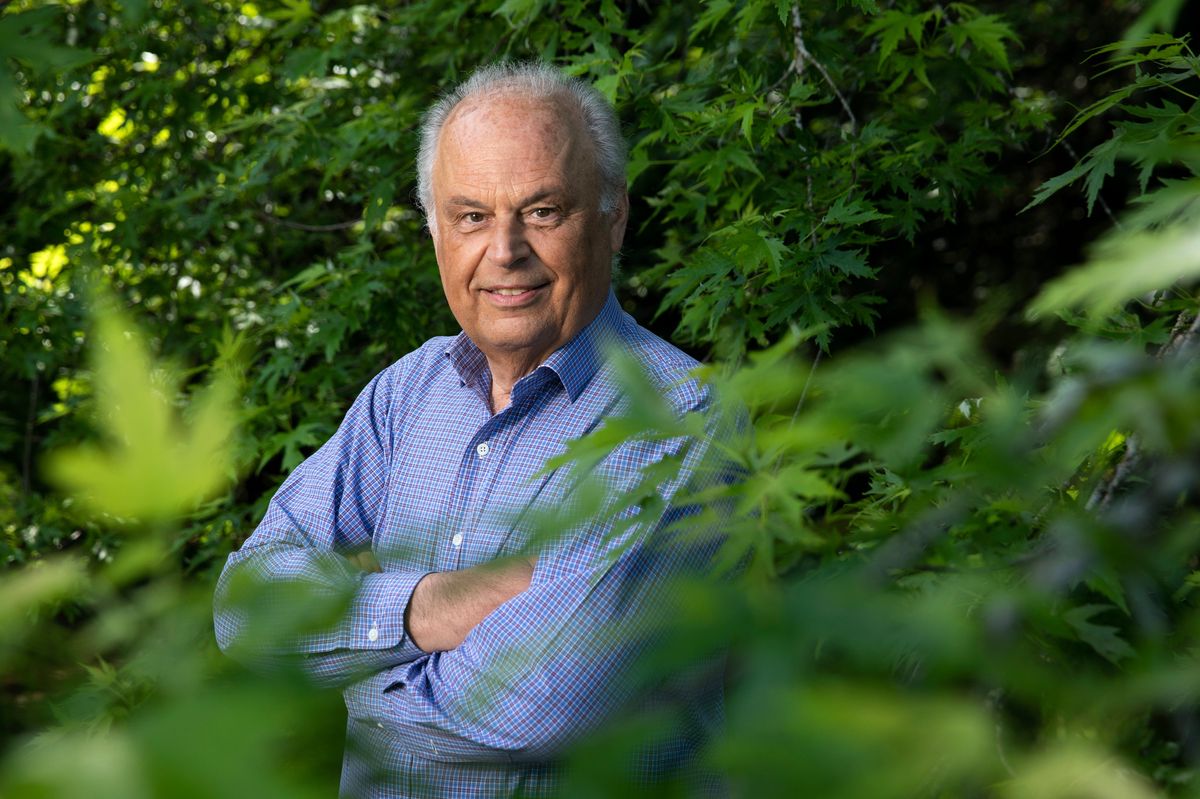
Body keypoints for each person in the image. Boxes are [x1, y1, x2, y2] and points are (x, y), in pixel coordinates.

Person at [214, 62, 729, 798]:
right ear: (435, 231)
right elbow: (245, 604)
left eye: (543, 210)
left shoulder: (676, 418)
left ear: (614, 217)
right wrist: (435, 605)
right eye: (471, 216)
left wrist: (346, 666)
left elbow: (538, 701)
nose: (505, 250)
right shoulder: (407, 393)